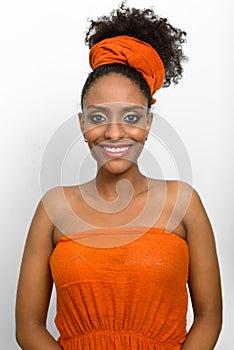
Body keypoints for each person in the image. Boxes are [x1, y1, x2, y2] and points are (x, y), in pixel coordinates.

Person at [15, 2, 222, 349]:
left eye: (130, 117)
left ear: (148, 123)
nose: (114, 133)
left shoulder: (184, 203)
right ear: (82, 124)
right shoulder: (52, 208)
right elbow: (28, 327)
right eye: (97, 118)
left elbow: (209, 317)